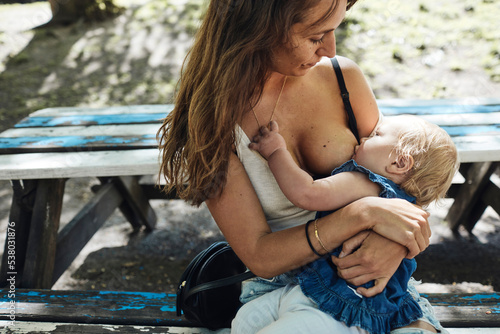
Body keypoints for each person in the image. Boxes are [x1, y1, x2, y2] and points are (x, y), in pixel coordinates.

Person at [158, 0, 446, 332]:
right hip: (279, 291)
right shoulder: (211, 124)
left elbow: (406, 181)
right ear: (258, 26)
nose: (329, 48)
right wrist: (361, 214)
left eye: (334, 29)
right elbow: (260, 255)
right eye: (315, 36)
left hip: (379, 294)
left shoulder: (343, 78)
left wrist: (395, 243)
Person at [248, 115, 459, 333]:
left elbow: (306, 193)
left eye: (377, 135)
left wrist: (275, 152)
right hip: (370, 306)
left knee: (249, 322)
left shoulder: (365, 182)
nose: (364, 137)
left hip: (335, 302)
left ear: (400, 162)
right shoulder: (404, 205)